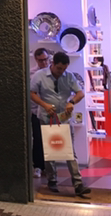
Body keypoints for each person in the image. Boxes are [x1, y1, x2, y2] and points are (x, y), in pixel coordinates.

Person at [30, 51, 91, 198]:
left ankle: (78, 184)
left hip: (64, 119)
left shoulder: (69, 76)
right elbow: (32, 93)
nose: (61, 71)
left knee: (70, 151)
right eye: (59, 68)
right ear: (52, 64)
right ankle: (52, 180)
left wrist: (72, 102)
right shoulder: (39, 75)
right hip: (46, 118)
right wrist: (44, 105)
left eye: (64, 69)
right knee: (50, 150)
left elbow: (80, 93)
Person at [30, 48, 50, 178]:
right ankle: (37, 166)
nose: (44, 62)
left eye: (46, 59)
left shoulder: (53, 72)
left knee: (50, 138)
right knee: (38, 138)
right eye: (41, 60)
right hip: (36, 110)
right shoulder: (32, 73)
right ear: (36, 60)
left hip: (50, 111)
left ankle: (49, 166)